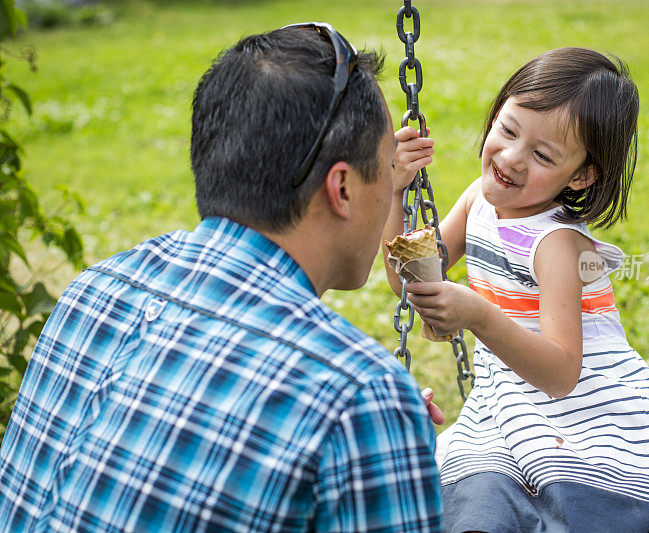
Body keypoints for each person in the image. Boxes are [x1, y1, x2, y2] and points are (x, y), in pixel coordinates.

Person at [0, 23, 444, 532]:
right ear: (341, 187)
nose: (392, 185)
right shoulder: (359, 398)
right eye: (388, 165)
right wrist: (390, 443)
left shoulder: (96, 289)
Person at [383, 47, 649, 532]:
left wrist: (478, 314)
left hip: (591, 410)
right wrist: (397, 191)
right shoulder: (478, 200)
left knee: (571, 500)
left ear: (581, 175)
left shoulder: (556, 242)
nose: (512, 158)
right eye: (508, 130)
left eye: (542, 155)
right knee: (477, 497)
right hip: (511, 395)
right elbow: (407, 281)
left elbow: (563, 374)